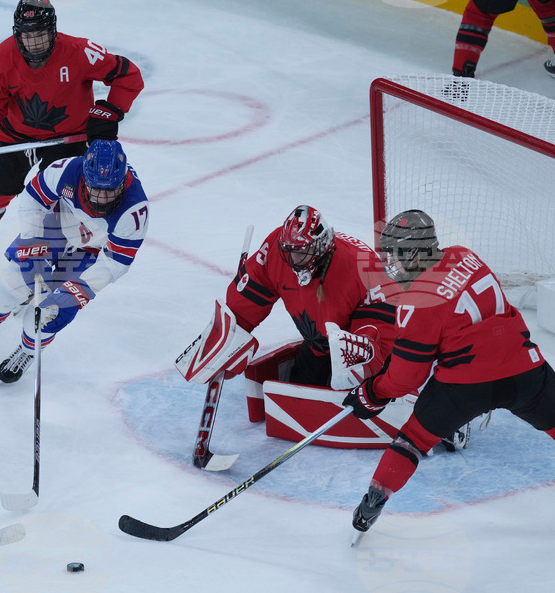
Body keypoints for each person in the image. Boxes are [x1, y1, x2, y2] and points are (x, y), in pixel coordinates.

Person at [344, 210, 555, 535]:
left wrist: (371, 393)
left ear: (415, 253)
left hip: (465, 386)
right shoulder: (465, 255)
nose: (390, 264)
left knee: (413, 438)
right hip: (522, 367)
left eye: (395, 255)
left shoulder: (415, 301)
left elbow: (405, 379)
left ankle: (377, 495)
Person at [0, 0, 145, 273]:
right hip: (15, 135)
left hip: (70, 137)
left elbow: (128, 75)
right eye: (27, 35)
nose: (34, 43)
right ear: (17, 33)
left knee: (61, 203)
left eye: (41, 35)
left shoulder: (81, 52)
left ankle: (50, 258)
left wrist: (109, 111)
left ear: (53, 30)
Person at [0, 139, 148, 382]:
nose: (102, 198)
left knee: (48, 314)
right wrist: (32, 241)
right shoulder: (67, 170)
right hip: (57, 225)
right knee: (9, 285)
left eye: (111, 191)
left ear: (122, 182)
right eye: (96, 189)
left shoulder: (135, 209)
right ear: (85, 177)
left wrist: (77, 293)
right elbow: (33, 198)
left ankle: (28, 351)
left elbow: (116, 262)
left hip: (92, 250)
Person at [222, 205, 397, 388]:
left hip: (356, 349)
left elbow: (382, 325)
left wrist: (363, 359)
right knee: (298, 392)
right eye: (289, 251)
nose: (293, 260)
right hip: (319, 346)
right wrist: (232, 332)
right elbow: (253, 289)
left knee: (352, 392)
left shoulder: (361, 266)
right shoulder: (277, 249)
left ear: (321, 246)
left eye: (300, 252)